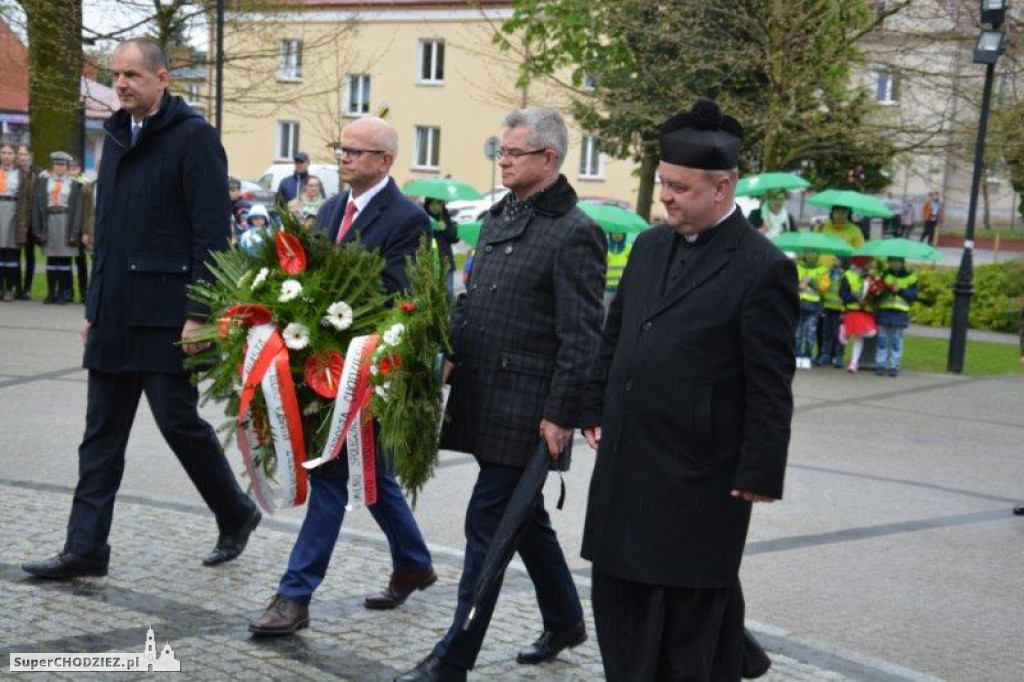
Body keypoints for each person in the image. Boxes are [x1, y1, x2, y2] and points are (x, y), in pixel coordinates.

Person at [21, 37, 260, 580]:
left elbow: (212, 236)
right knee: (100, 433)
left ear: (162, 79)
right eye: (116, 75)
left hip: (168, 316)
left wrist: (201, 313)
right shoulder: (115, 136)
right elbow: (107, 232)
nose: (122, 84)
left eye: (132, 74)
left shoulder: (194, 138)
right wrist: (93, 307)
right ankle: (85, 548)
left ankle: (235, 511)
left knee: (179, 423)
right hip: (113, 314)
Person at [579, 99, 798, 681]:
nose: (666, 196)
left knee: (685, 621)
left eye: (679, 187)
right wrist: (595, 404)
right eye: (664, 184)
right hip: (627, 465)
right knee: (619, 603)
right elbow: (616, 331)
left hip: (698, 476)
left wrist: (759, 471)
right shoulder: (650, 246)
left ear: (722, 187)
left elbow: (772, 384)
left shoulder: (762, 267)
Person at [396, 107, 606, 682]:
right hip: (485, 392)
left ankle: (452, 657)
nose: (504, 159)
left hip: (531, 410)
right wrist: (445, 354)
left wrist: (562, 415)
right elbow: (475, 300)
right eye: (501, 151)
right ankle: (564, 619)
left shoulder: (577, 232)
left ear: (550, 159)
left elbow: (581, 337)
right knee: (524, 518)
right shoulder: (497, 217)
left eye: (515, 152)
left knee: (488, 524)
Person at [248, 116, 437, 637]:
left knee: (332, 476)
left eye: (357, 151)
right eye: (342, 149)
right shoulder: (330, 209)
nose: (344, 158)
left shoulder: (407, 219)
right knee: (369, 473)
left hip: (369, 369)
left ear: (385, 161)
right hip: (323, 363)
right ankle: (414, 562)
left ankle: (294, 595)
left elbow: (397, 294)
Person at [32, 151, 83, 305]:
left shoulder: (74, 184)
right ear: (52, 166)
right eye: (56, 164)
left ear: (67, 167)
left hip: (65, 221)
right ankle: (51, 293)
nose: (59, 168)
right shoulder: (44, 182)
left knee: (65, 261)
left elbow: (78, 210)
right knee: (51, 259)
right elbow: (37, 205)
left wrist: (75, 231)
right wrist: (37, 227)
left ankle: (64, 293)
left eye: (62, 165)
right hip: (50, 221)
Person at [874, 257, 918, 377]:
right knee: (882, 339)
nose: (894, 264)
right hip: (885, 310)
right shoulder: (885, 275)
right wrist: (885, 289)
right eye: (891, 261)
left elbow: (912, 296)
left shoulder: (910, 277)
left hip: (900, 312)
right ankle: (881, 364)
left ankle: (894, 365)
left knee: (896, 340)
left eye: (896, 261)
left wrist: (899, 290)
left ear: (902, 262)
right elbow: (877, 293)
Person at [839, 255, 878, 374]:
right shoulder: (848, 275)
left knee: (864, 335)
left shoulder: (871, 277)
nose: (870, 265)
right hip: (852, 310)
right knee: (849, 336)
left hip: (865, 311)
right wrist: (856, 298)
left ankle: (854, 362)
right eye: (868, 263)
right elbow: (843, 294)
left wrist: (873, 294)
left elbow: (875, 293)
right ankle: (843, 330)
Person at [15, 144, 41, 300]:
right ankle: (16, 286)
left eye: (25, 154)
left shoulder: (38, 173)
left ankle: (27, 288)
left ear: (30, 155)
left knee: (30, 255)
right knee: (15, 255)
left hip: (32, 220)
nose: (22, 157)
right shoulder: (14, 173)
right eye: (20, 154)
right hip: (17, 220)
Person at [795, 249, 828, 369]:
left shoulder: (823, 270)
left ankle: (807, 356)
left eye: (813, 252)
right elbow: (789, 282)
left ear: (818, 255)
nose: (809, 255)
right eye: (807, 252)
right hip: (798, 304)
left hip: (813, 307)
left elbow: (824, 288)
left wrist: (811, 281)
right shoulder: (798, 267)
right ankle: (796, 356)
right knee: (797, 334)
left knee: (810, 334)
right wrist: (799, 284)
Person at [0, 142, 24, 301]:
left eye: (9, 153)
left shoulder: (20, 174)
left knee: (11, 252)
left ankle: (10, 288)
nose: (6, 156)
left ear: (14, 156)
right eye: (3, 152)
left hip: (14, 211)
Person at [423, 198, 460, 298]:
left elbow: (455, 238)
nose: (435, 207)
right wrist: (433, 228)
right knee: (431, 295)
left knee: (448, 293)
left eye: (438, 203)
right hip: (429, 264)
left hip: (446, 263)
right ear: (427, 205)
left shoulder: (446, 217)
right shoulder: (422, 218)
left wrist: (445, 229)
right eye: (432, 204)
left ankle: (448, 314)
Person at [814, 258, 848, 368]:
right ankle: (826, 355)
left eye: (836, 260)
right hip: (828, 307)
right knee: (827, 333)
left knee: (839, 334)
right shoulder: (827, 273)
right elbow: (822, 288)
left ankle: (838, 357)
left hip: (840, 308)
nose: (834, 262)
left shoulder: (845, 275)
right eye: (832, 260)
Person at [69, 157, 93, 303]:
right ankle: (69, 290)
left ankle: (84, 292)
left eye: (74, 168)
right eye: (70, 168)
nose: (72, 171)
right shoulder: (65, 183)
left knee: (82, 262)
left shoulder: (85, 184)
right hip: (70, 227)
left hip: (82, 228)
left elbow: (87, 210)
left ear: (79, 169)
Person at [604, 231, 631, 312]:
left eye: (620, 233)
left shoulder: (629, 249)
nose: (617, 235)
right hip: (606, 290)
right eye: (615, 233)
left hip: (622, 291)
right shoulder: (605, 248)